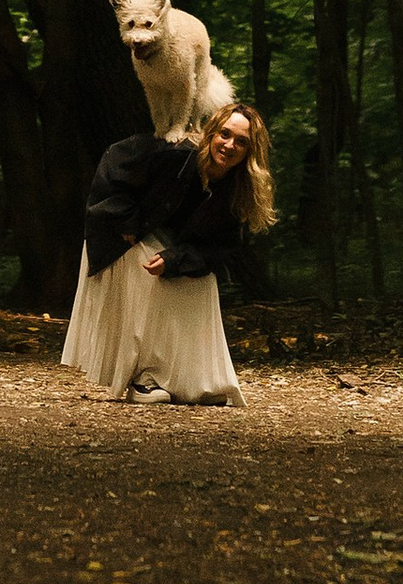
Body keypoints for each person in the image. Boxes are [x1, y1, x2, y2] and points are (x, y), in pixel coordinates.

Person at [61, 100, 274, 406]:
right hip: (121, 236)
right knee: (148, 280)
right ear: (212, 133)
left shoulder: (237, 190)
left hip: (166, 244)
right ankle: (144, 379)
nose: (229, 145)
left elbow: (220, 248)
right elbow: (114, 161)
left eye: (241, 142)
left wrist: (177, 260)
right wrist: (125, 219)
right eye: (224, 134)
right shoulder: (176, 153)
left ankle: (197, 382)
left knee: (200, 284)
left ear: (250, 151)